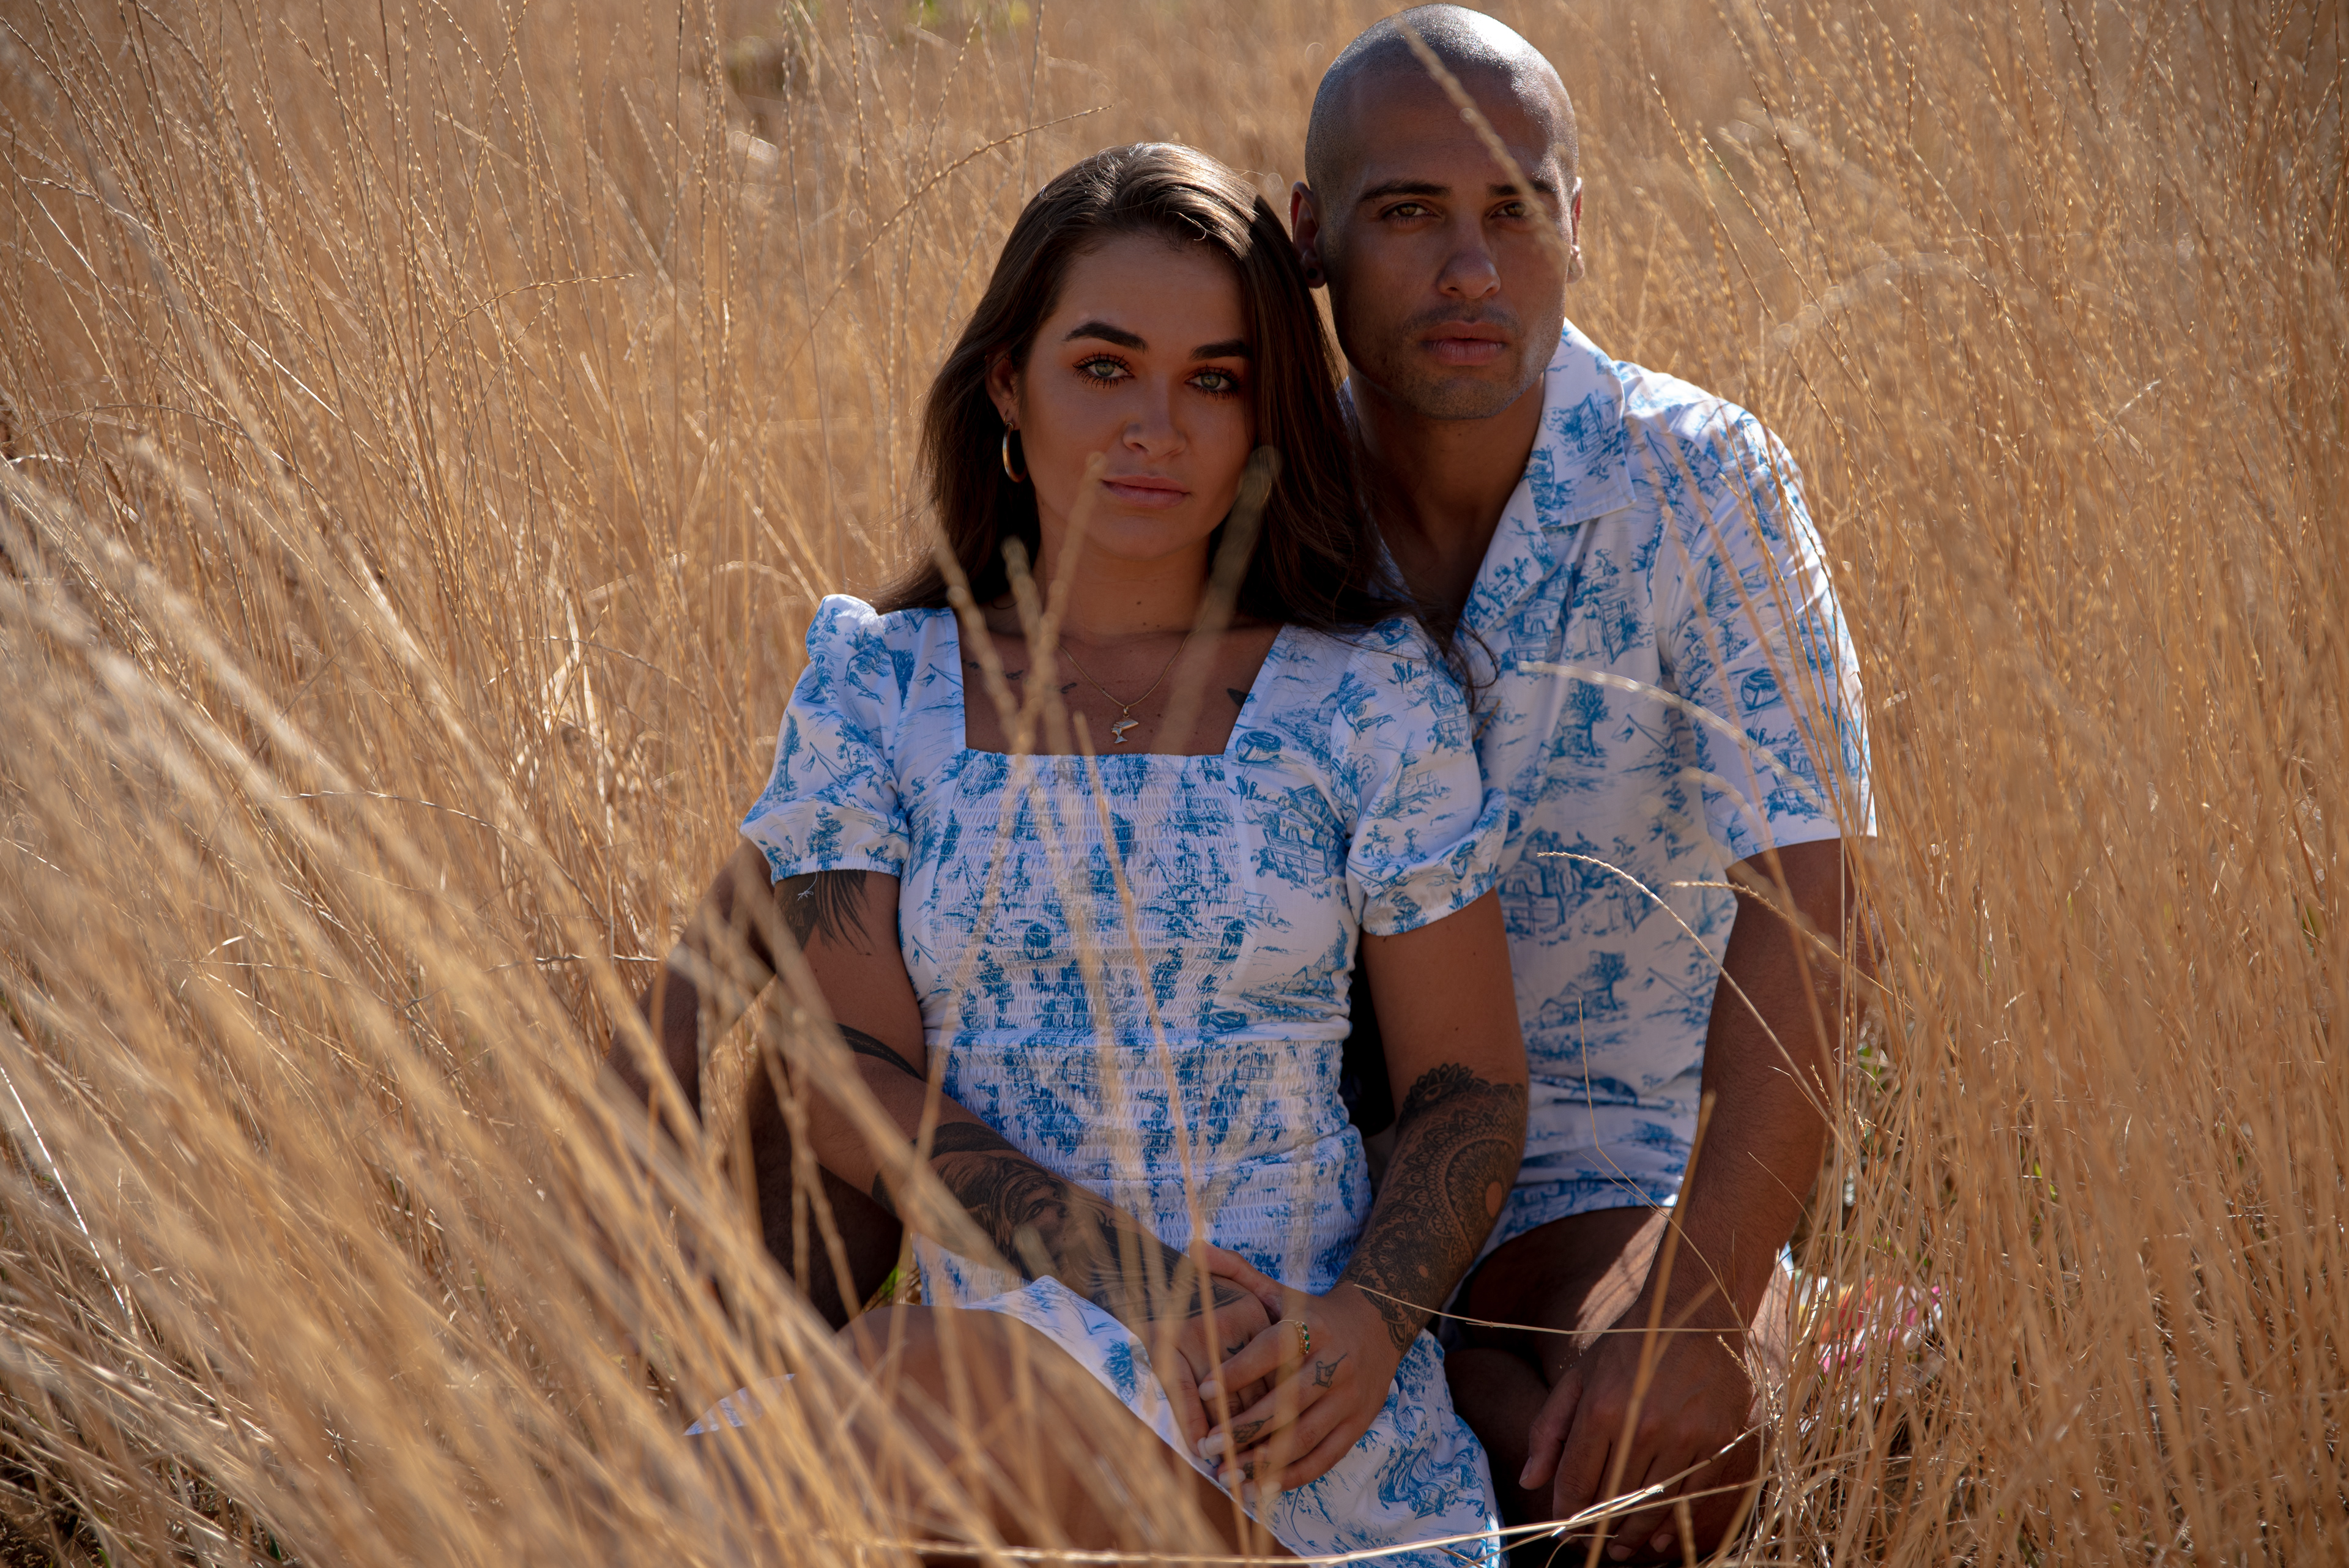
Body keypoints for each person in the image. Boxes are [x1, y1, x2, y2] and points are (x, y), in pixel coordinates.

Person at [630, 143, 1529, 1562]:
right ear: (1008, 383)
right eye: (1104, 367)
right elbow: (849, 1078)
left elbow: (1468, 1090)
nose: (1155, 427)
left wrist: (1365, 1327)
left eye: (1214, 381)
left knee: (849, 1426)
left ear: (1263, 418)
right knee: (902, 1402)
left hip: (1282, 1425)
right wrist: (1131, 1283)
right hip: (955, 1405)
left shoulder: (1367, 697)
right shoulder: (880, 688)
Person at [1285, 9, 1872, 1562]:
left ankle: (1704, 1346)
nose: (1471, 268)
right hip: (1287, 1182)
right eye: (1409, 212)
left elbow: (1813, 902)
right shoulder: (1252, 498)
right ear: (1311, 237)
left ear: (1578, 225)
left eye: (1516, 208)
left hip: (1599, 1173)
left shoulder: (1703, 479)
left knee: (1645, 1472)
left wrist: (1700, 1307)